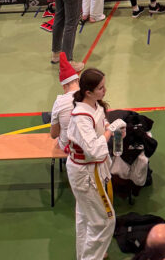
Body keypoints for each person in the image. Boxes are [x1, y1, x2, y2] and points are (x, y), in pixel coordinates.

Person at [66, 68, 117, 260]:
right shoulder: (81, 117)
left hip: (93, 169)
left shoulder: (95, 107)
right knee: (104, 221)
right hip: (86, 172)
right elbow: (94, 150)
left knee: (86, 217)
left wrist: (112, 129)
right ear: (88, 92)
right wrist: (110, 131)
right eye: (101, 88)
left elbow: (102, 125)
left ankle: (85, 256)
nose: (105, 90)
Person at [49, 53, 80, 149]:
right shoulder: (89, 96)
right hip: (88, 147)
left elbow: (54, 134)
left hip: (68, 148)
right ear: (77, 80)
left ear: (64, 86)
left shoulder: (59, 102)